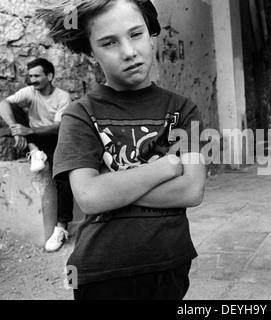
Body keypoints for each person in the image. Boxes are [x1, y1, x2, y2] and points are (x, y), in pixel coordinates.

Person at [37, 0, 207, 300]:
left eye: (136, 34)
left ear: (151, 34)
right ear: (91, 52)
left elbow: (191, 190)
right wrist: (165, 167)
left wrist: (111, 184)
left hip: (169, 264)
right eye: (109, 42)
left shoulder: (182, 110)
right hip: (99, 271)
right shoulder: (80, 114)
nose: (128, 52)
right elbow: (89, 198)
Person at [0, 58, 74, 253]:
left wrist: (28, 132)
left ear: (49, 76)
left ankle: (61, 226)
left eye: (36, 76)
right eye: (30, 76)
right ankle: (34, 152)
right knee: (13, 106)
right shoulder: (29, 92)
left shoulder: (62, 97)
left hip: (55, 138)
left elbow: (59, 127)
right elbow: (3, 103)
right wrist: (16, 130)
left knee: (63, 174)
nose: (31, 80)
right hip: (33, 139)